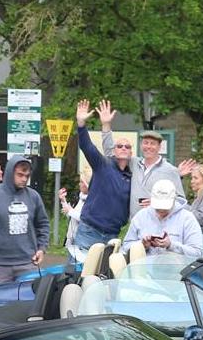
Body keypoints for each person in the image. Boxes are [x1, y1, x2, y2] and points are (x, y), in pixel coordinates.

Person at [0, 155, 50, 285]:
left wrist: (42, 248)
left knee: (28, 304)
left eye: (27, 176)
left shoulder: (33, 197)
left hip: (28, 263)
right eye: (20, 175)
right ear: (9, 173)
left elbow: (43, 224)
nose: (24, 179)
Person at [73, 99, 133, 254]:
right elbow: (87, 146)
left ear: (131, 152)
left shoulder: (132, 177)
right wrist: (81, 123)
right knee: (80, 274)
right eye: (119, 146)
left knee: (104, 277)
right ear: (114, 150)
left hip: (112, 236)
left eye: (127, 146)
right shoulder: (103, 164)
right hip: (89, 231)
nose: (123, 148)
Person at [99, 103, 185, 208]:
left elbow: (181, 201)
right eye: (145, 143)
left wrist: (159, 202)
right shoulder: (133, 163)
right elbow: (111, 153)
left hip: (158, 222)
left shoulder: (170, 170)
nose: (148, 146)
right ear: (141, 145)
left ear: (159, 147)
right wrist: (106, 125)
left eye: (152, 143)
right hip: (136, 222)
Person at [122, 178, 203, 258]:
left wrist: (171, 245)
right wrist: (142, 245)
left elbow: (197, 253)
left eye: (165, 208)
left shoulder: (187, 218)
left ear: (174, 200)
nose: (161, 211)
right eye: (158, 208)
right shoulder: (140, 216)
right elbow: (125, 247)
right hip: (144, 269)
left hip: (177, 269)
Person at [60, 167, 91, 260]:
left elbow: (86, 218)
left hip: (83, 242)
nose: (79, 184)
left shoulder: (92, 200)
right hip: (73, 241)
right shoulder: (81, 198)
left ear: (87, 184)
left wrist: (70, 210)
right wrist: (63, 201)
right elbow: (71, 215)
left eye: (82, 182)